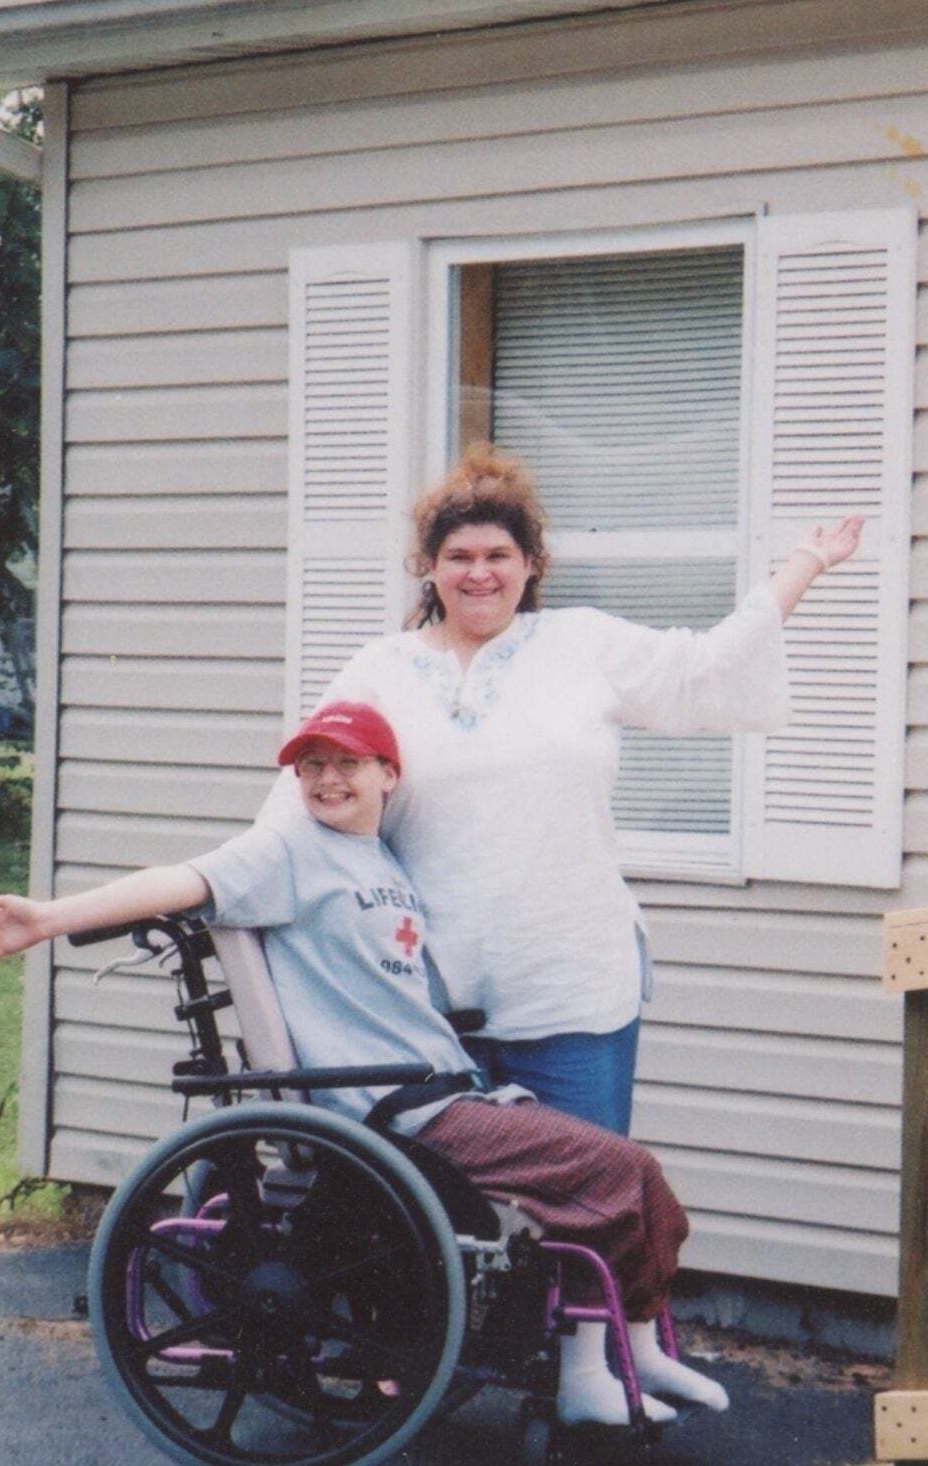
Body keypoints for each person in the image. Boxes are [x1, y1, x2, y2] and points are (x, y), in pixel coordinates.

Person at [0, 699, 733, 1427]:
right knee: (618, 1168)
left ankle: (627, 1356)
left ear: (388, 775)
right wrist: (46, 919)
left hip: (445, 1092)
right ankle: (601, 1369)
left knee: (619, 1181)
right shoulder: (287, 848)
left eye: (348, 763)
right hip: (396, 1112)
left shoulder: (383, 864)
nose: (328, 779)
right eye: (311, 766)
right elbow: (178, 881)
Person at [267, 447, 863, 1135]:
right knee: (447, 1227)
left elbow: (709, 669)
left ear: (531, 563)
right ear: (429, 567)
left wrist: (803, 565)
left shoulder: (583, 644)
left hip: (571, 996)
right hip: (428, 1006)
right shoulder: (379, 669)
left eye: (500, 553)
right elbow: (298, 804)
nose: (480, 572)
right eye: (459, 556)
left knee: (585, 1214)